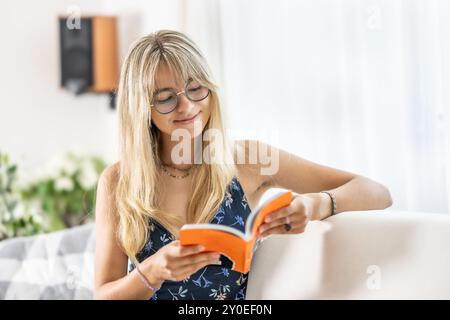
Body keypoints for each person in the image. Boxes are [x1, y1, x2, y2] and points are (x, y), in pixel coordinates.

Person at [94, 30, 393, 300]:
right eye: (166, 98)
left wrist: (316, 205)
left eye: (195, 88)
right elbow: (103, 295)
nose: (187, 106)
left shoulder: (248, 160)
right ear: (142, 109)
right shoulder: (118, 181)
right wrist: (152, 272)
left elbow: (377, 193)